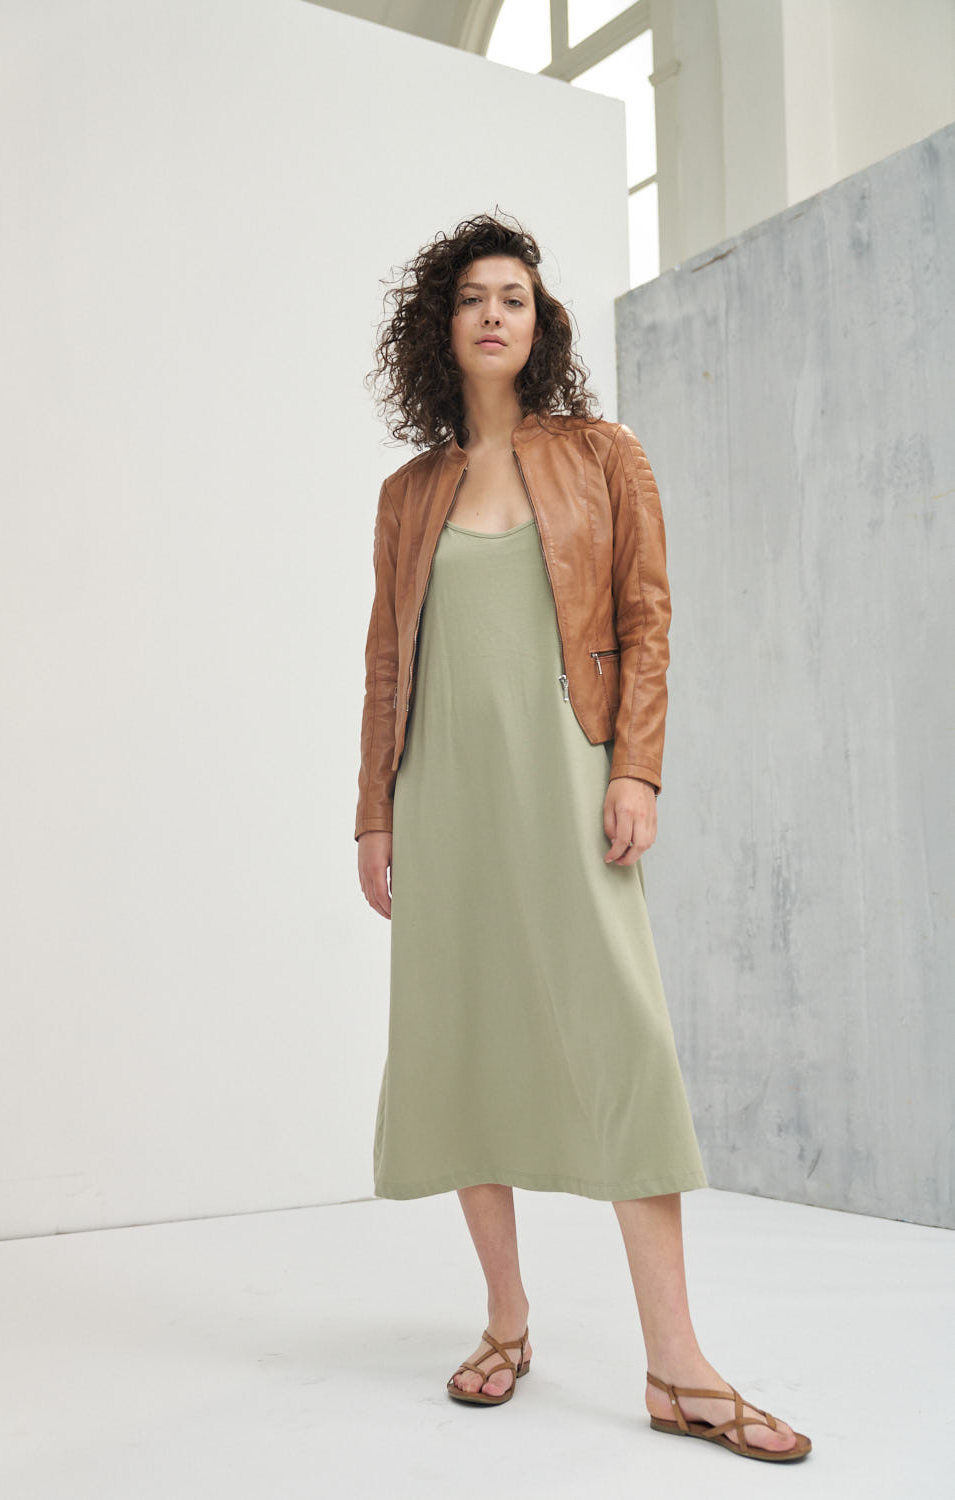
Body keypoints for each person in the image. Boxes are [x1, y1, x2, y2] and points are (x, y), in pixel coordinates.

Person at [355, 212, 810, 1463]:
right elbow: (385, 666)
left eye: (513, 297)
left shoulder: (602, 456)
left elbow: (646, 618)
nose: (492, 314)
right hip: (443, 792)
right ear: (440, 326)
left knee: (622, 1040)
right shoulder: (407, 495)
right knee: (459, 1040)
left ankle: (677, 1365)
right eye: (470, 298)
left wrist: (636, 770)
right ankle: (504, 1322)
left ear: (540, 322)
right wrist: (374, 813)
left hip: (567, 776)